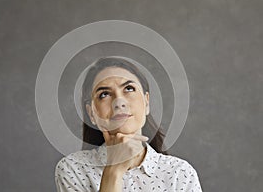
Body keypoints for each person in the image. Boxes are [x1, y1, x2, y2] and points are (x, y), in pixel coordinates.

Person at [55, 56, 202, 191]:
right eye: (104, 94)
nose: (119, 102)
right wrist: (113, 171)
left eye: (129, 89)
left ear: (146, 102)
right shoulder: (73, 168)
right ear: (92, 113)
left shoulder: (180, 173)